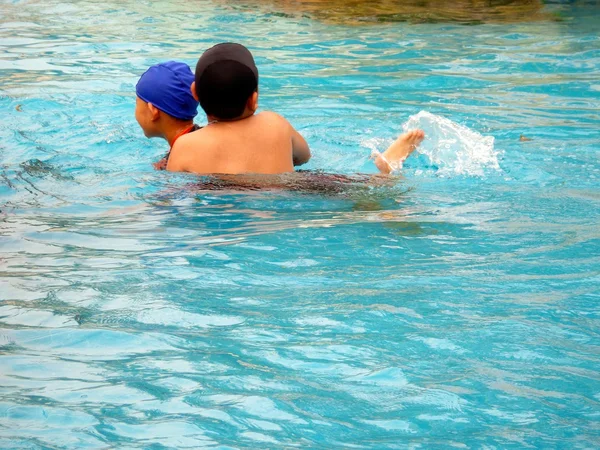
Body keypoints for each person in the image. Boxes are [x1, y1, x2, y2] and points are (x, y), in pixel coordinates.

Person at [135, 44, 424, 175]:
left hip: (227, 201)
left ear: (196, 94)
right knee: (341, 189)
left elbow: (176, 197)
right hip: (295, 193)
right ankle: (384, 173)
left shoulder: (186, 146)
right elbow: (304, 157)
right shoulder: (274, 123)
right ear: (254, 100)